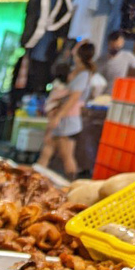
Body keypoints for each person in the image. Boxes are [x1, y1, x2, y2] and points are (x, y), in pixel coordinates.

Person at [38, 40, 96, 178]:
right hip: (64, 117)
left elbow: (73, 99)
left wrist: (57, 117)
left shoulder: (84, 74)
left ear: (79, 54)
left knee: (66, 156)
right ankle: (36, 176)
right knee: (48, 148)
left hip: (67, 119)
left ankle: (72, 185)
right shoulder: (78, 72)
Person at [100, 30, 135, 94]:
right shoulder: (101, 59)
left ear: (122, 43)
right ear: (109, 43)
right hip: (103, 94)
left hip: (119, 93)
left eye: (118, 45)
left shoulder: (127, 56)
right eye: (114, 45)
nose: (116, 47)